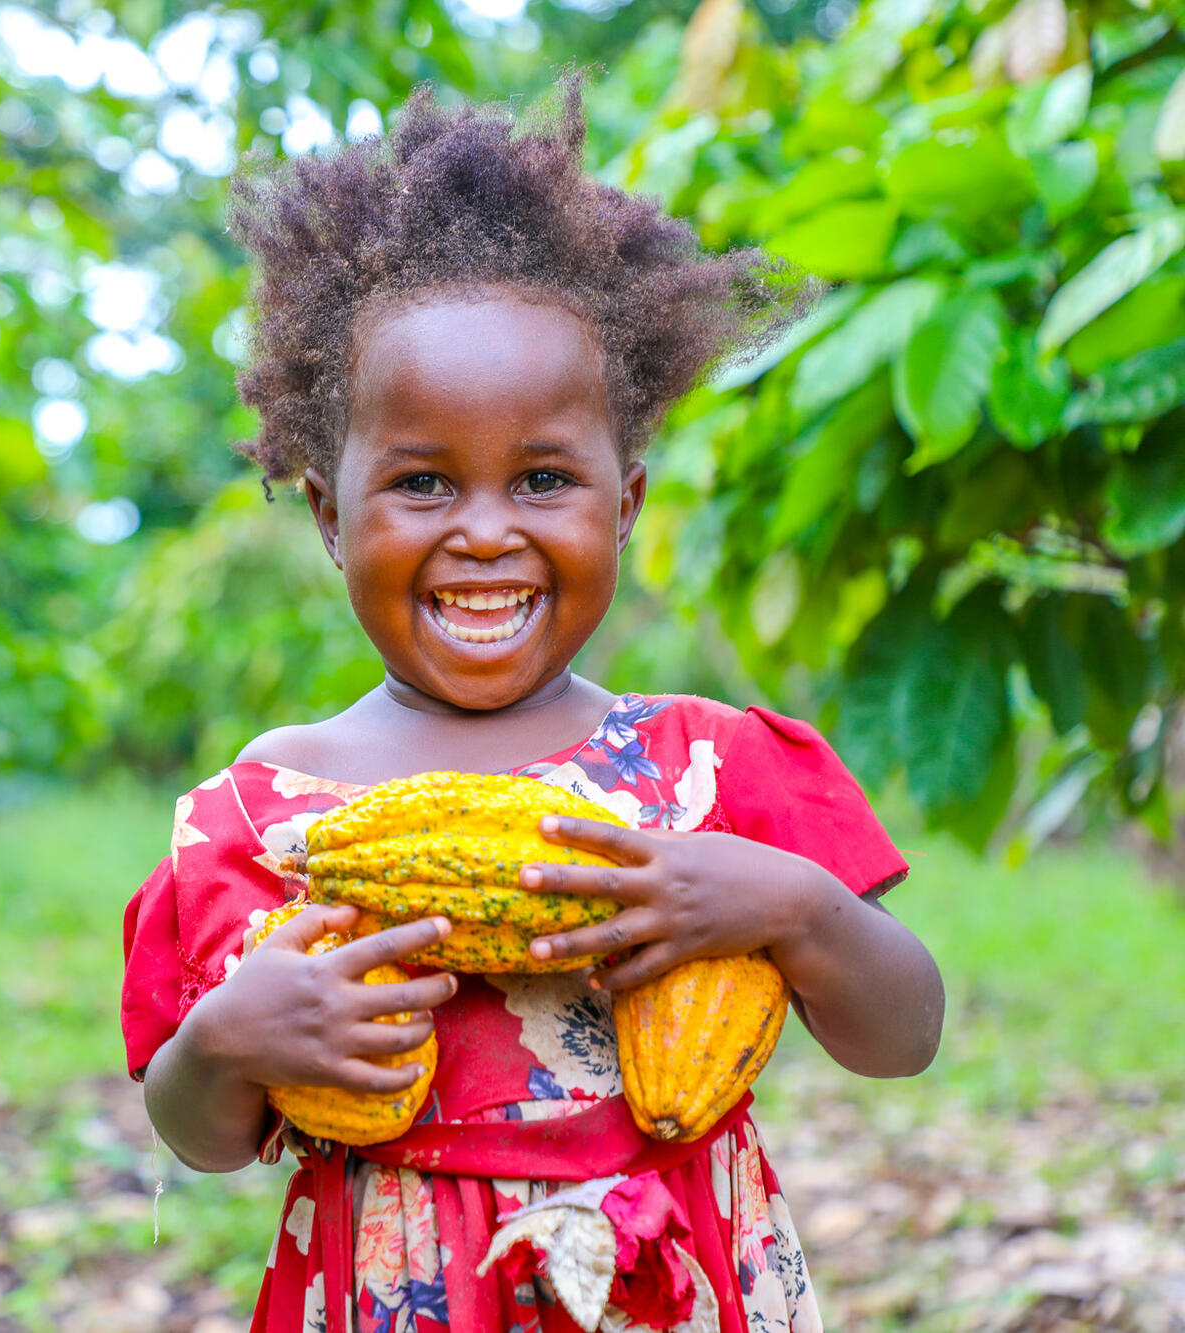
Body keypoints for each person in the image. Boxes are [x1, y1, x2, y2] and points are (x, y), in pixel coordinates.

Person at [119, 83, 944, 1333]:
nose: (486, 531)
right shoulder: (264, 812)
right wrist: (226, 1042)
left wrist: (791, 904)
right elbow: (201, 1139)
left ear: (623, 502)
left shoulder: (712, 772)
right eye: (423, 481)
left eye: (545, 477)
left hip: (675, 1280)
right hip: (403, 1294)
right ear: (332, 516)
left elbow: (903, 1034)